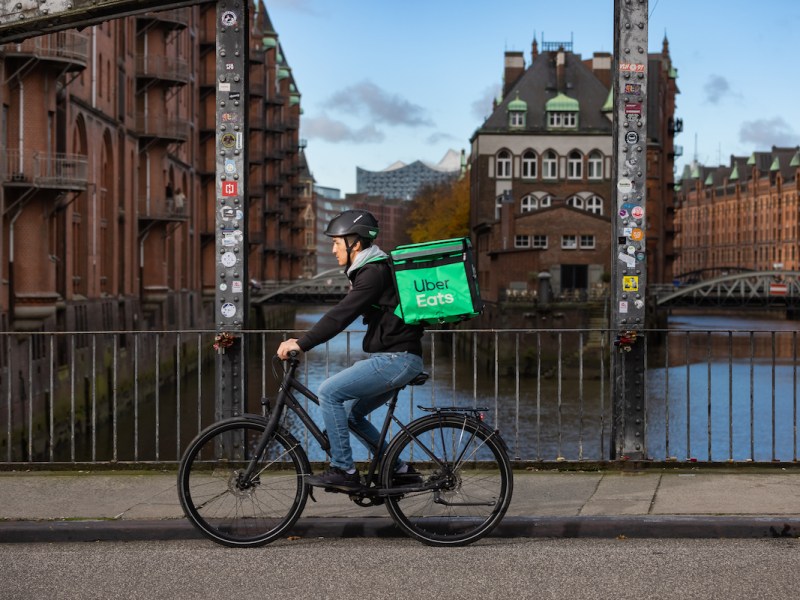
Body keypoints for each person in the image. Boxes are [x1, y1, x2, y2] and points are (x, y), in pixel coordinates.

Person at [277, 209, 424, 491]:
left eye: (336, 242)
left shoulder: (373, 273)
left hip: (397, 359)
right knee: (352, 415)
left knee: (329, 391)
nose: (333, 249)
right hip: (398, 358)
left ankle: (343, 469)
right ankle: (400, 469)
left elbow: (340, 315)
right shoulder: (371, 270)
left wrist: (301, 342)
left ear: (354, 243)